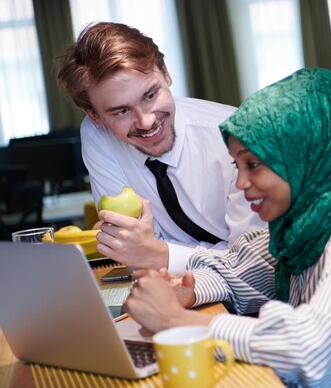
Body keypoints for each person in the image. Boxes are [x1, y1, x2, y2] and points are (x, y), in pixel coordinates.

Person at [125, 68, 331, 387]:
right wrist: (192, 287)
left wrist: (178, 321)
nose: (241, 182)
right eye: (237, 165)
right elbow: (251, 267)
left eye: (253, 165)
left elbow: (317, 354)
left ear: (306, 155)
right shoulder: (307, 222)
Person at [56, 22, 265, 274]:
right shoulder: (98, 136)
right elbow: (131, 248)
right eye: (121, 111)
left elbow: (253, 263)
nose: (146, 121)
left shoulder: (237, 137)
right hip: (171, 288)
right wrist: (149, 252)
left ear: (165, 73)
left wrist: (160, 253)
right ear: (94, 115)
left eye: (150, 95)